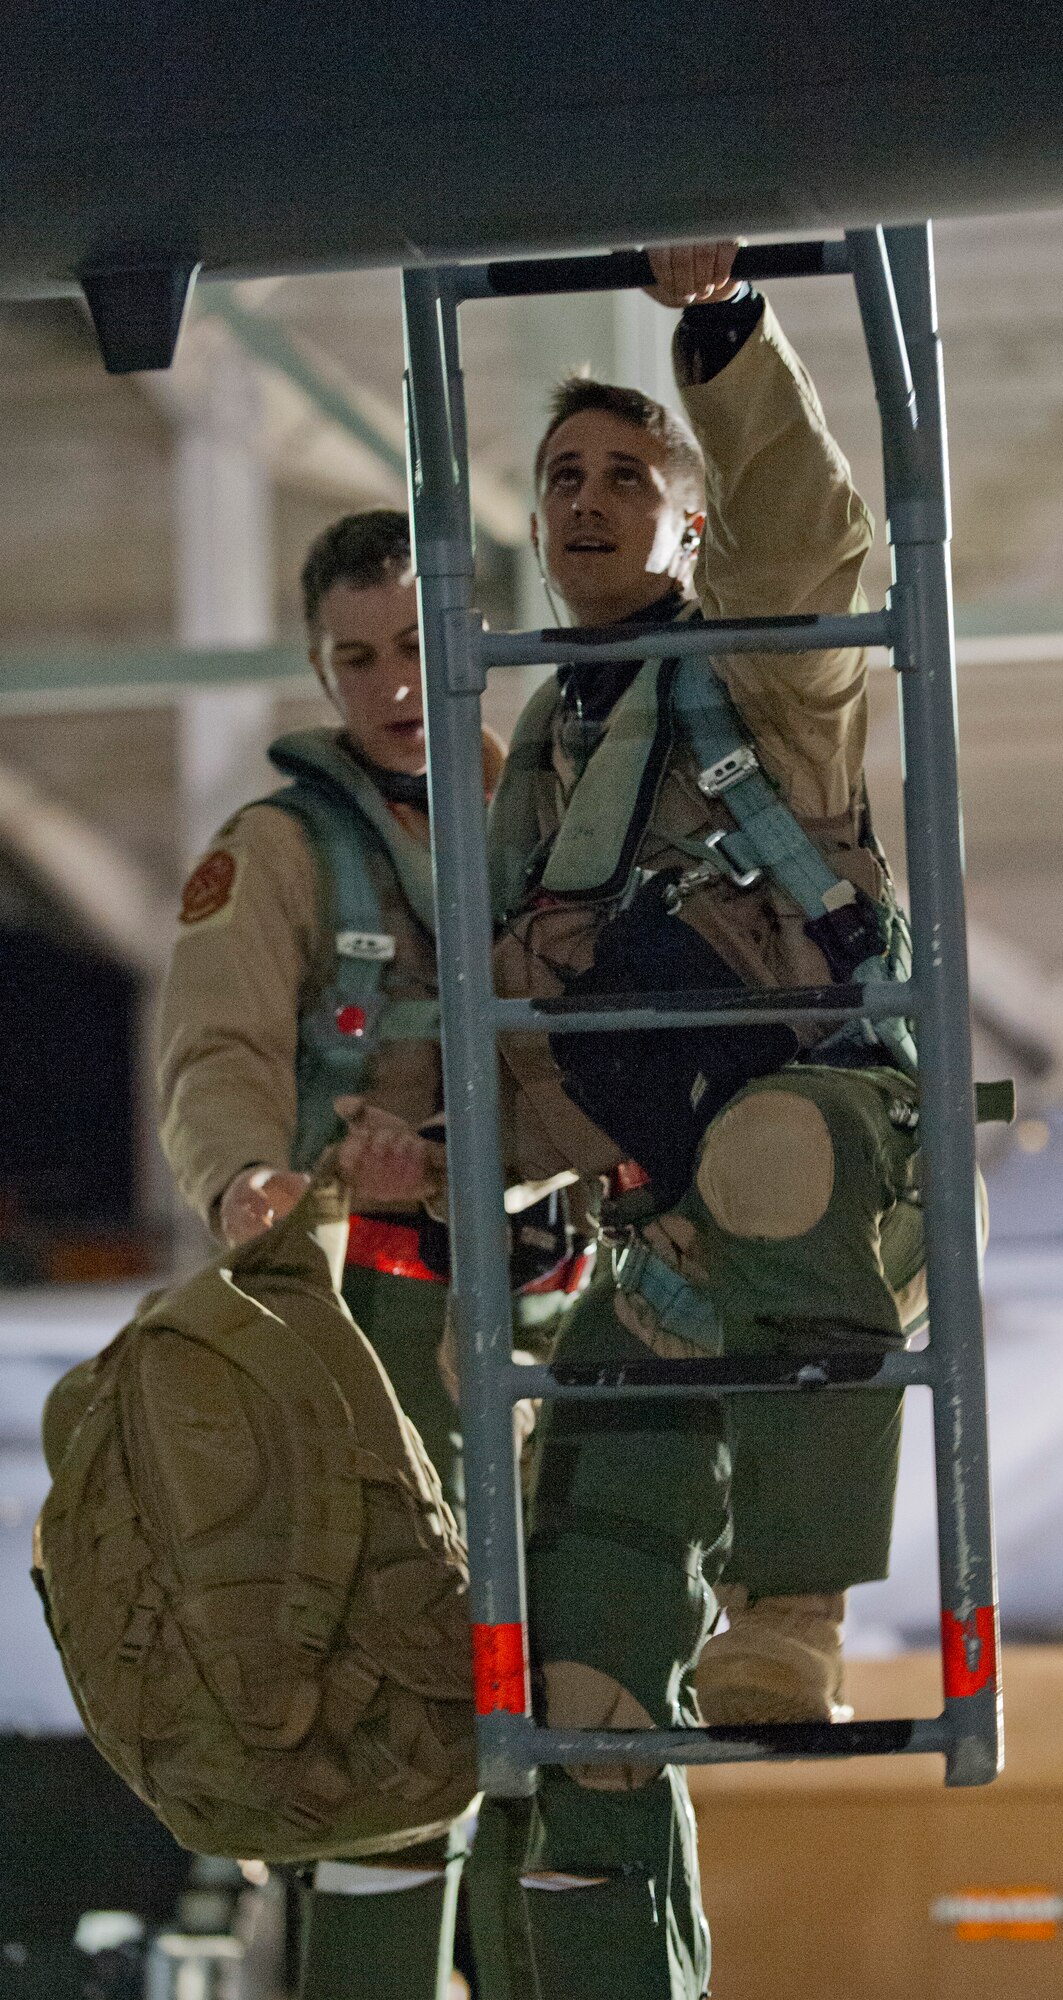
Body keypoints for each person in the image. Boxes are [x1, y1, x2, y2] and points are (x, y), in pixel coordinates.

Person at [338, 240, 929, 1999]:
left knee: (774, 1158)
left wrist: (721, 345)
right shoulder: (542, 741)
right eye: (563, 480)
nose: (590, 503)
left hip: (829, 1164)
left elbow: (805, 533)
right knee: (586, 1694)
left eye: (629, 478)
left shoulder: (765, 674)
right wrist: (423, 1165)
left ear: (683, 529)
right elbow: (523, 1028)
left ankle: (794, 1613)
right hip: (656, 1236)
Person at [158, 509, 569, 2000]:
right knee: (386, 1718)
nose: (394, 682)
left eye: (416, 647)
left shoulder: (559, 823)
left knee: (583, 1722)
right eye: (357, 657)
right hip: (374, 1331)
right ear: (321, 671)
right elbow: (213, 1055)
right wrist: (257, 1183)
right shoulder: (275, 852)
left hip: (554, 1310)